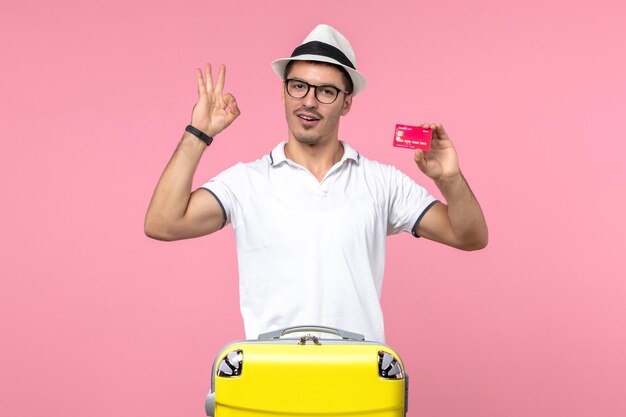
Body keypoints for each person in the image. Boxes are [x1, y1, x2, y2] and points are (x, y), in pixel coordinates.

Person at [144, 24, 488, 342]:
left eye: (326, 91)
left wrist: (451, 180)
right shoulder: (246, 182)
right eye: (298, 86)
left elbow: (469, 236)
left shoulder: (382, 183)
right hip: (271, 381)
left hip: (359, 382)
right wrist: (198, 133)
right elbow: (163, 223)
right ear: (284, 92)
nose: (308, 101)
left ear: (347, 102)